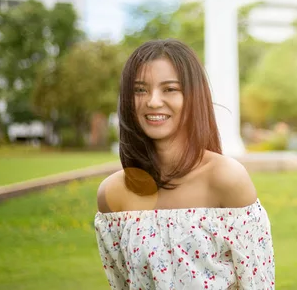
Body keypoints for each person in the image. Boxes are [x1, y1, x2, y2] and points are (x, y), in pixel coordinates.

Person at [94, 39, 275, 289]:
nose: (153, 101)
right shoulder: (111, 194)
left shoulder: (226, 178)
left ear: (193, 97)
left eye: (169, 89)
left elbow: (258, 284)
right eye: (140, 90)